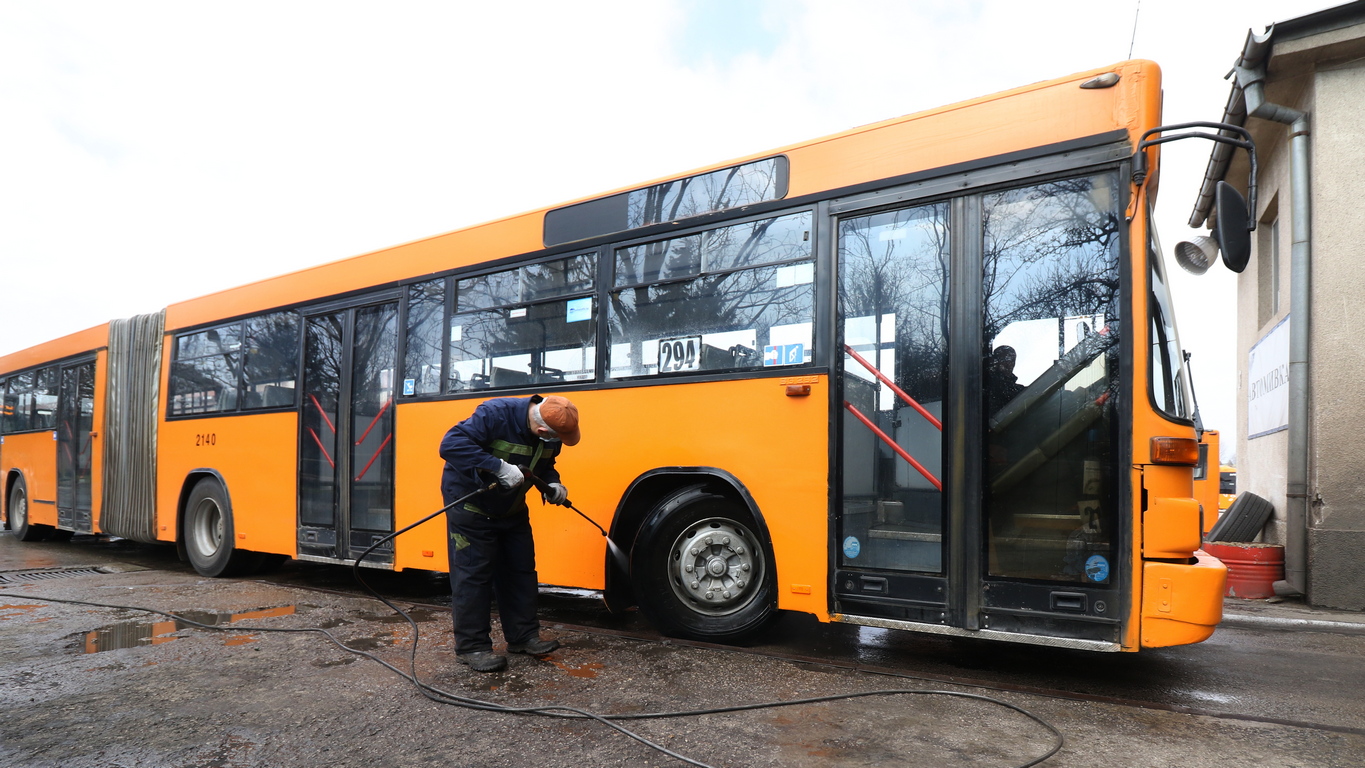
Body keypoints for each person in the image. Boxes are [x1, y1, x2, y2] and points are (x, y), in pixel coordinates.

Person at [438, 394, 581, 672]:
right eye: (557, 438)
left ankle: (523, 637)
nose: (558, 443)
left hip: (511, 509)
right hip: (472, 508)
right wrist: (498, 467)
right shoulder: (494, 414)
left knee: (520, 571)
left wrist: (553, 484)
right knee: (473, 577)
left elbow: (545, 465)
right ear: (542, 429)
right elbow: (451, 444)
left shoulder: (549, 436)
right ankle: (472, 647)